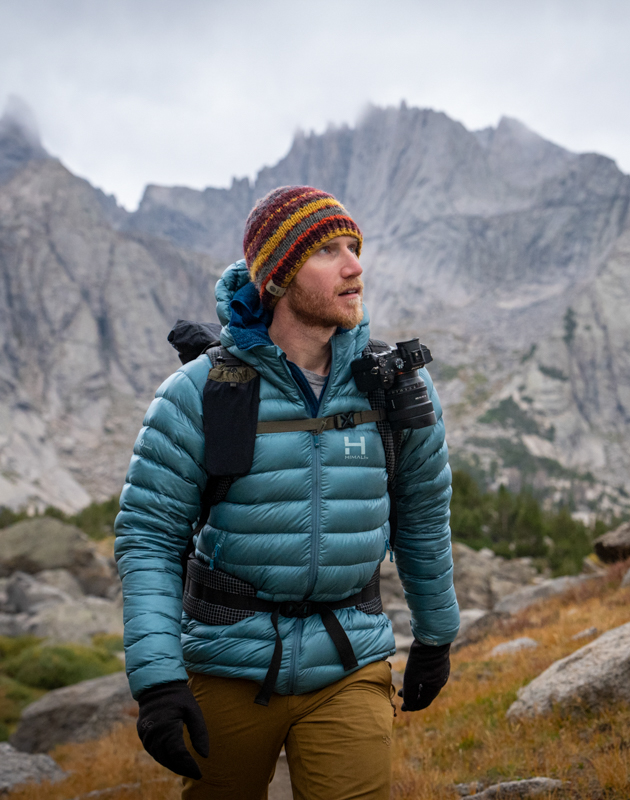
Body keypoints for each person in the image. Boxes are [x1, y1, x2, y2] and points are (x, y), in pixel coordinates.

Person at [114, 185, 460, 799]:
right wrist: (159, 682)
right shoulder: (197, 393)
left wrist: (436, 636)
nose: (355, 266)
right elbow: (148, 538)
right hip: (225, 661)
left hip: (349, 661)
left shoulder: (395, 389)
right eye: (329, 250)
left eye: (354, 246)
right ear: (278, 275)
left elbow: (424, 516)